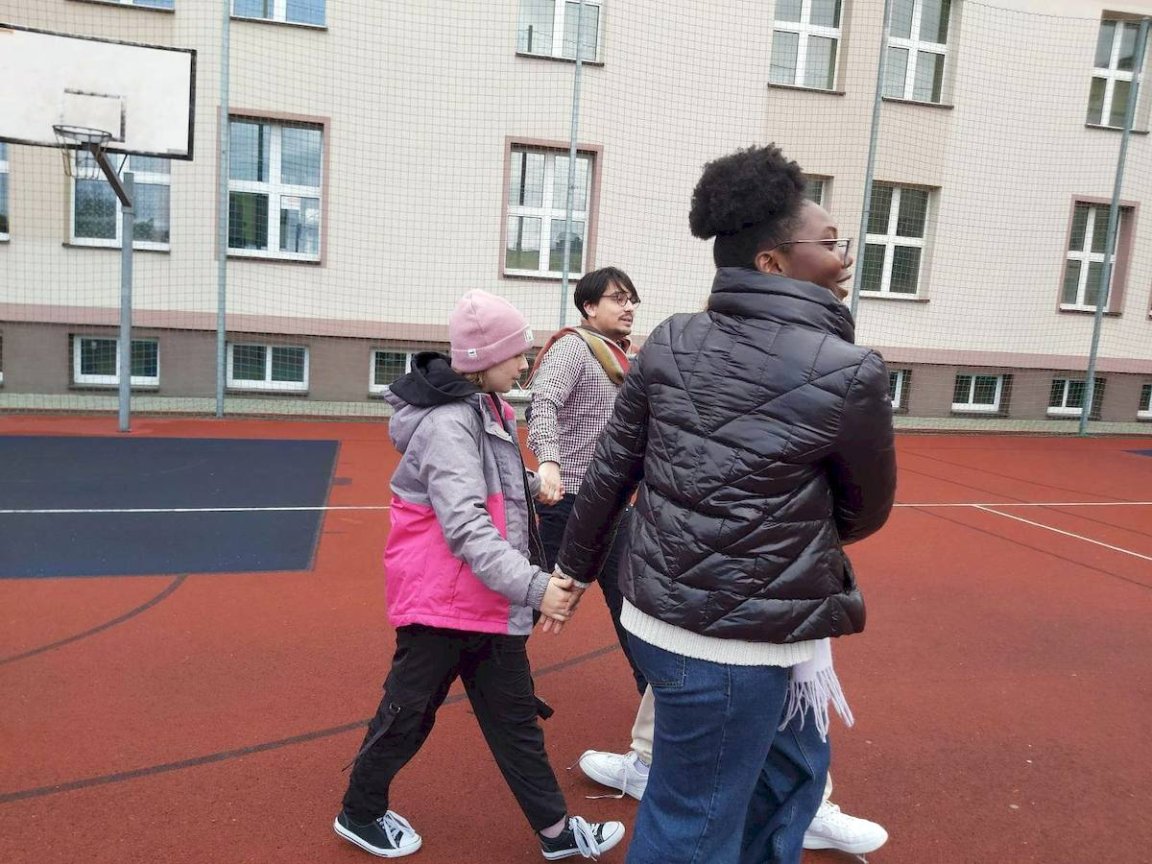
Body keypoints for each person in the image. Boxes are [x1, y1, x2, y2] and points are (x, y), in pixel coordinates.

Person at [547, 144, 897, 864]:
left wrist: (573, 571)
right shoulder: (849, 371)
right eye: (830, 243)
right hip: (731, 645)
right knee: (694, 824)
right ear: (773, 262)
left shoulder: (672, 341)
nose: (844, 258)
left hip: (709, 624)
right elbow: (865, 511)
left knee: (788, 784)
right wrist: (787, 541)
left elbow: (611, 473)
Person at [334, 290, 625, 861]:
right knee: (408, 714)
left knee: (515, 721)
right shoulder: (449, 422)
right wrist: (537, 588)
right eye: (518, 353)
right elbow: (466, 526)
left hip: (486, 600)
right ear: (485, 357)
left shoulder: (485, 406)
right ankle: (359, 812)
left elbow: (486, 486)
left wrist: (531, 484)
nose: (525, 363)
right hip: (443, 603)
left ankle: (556, 833)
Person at [527, 266, 647, 696]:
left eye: (632, 299)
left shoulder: (627, 358)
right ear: (590, 306)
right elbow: (542, 404)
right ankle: (489, 668)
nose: (628, 307)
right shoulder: (574, 349)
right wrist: (549, 462)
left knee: (633, 605)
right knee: (536, 595)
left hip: (614, 503)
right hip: (569, 501)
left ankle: (655, 699)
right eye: (618, 298)